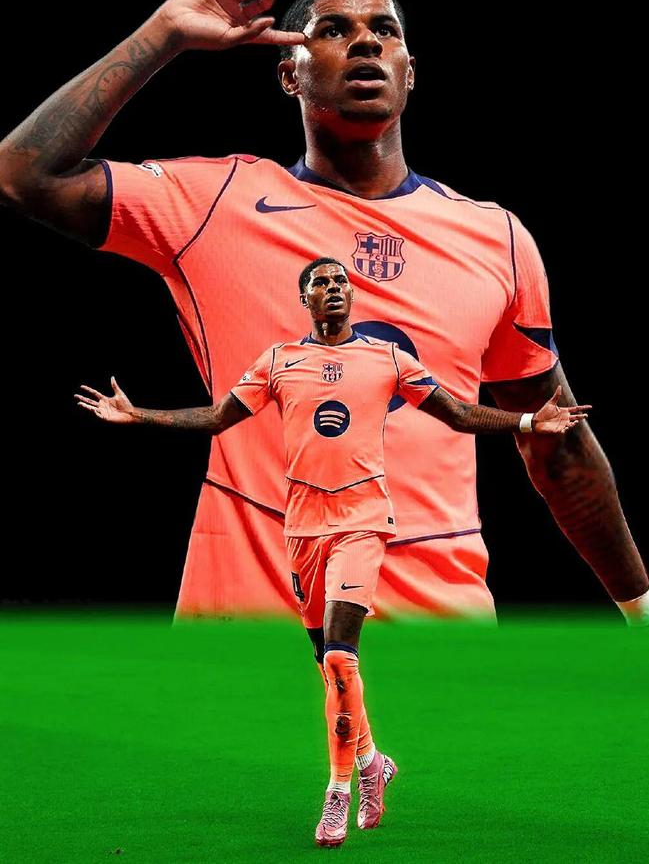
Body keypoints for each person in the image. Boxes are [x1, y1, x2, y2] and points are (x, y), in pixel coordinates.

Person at [0, 0, 649, 627]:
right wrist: (165, 32)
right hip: (247, 635)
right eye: (334, 30)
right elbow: (22, 173)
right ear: (290, 74)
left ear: (409, 72)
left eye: (384, 31)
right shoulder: (211, 205)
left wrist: (643, 613)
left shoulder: (497, 238)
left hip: (439, 633)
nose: (365, 43)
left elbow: (557, 443)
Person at [76, 256, 590, 846]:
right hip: (303, 526)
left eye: (342, 280)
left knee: (343, 659)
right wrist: (139, 414)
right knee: (327, 664)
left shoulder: (388, 358)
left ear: (352, 296)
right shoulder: (279, 361)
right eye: (321, 282)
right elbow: (218, 418)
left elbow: (456, 412)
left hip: (363, 521)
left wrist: (528, 421)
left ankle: (337, 793)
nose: (335, 287)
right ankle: (372, 759)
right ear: (306, 300)